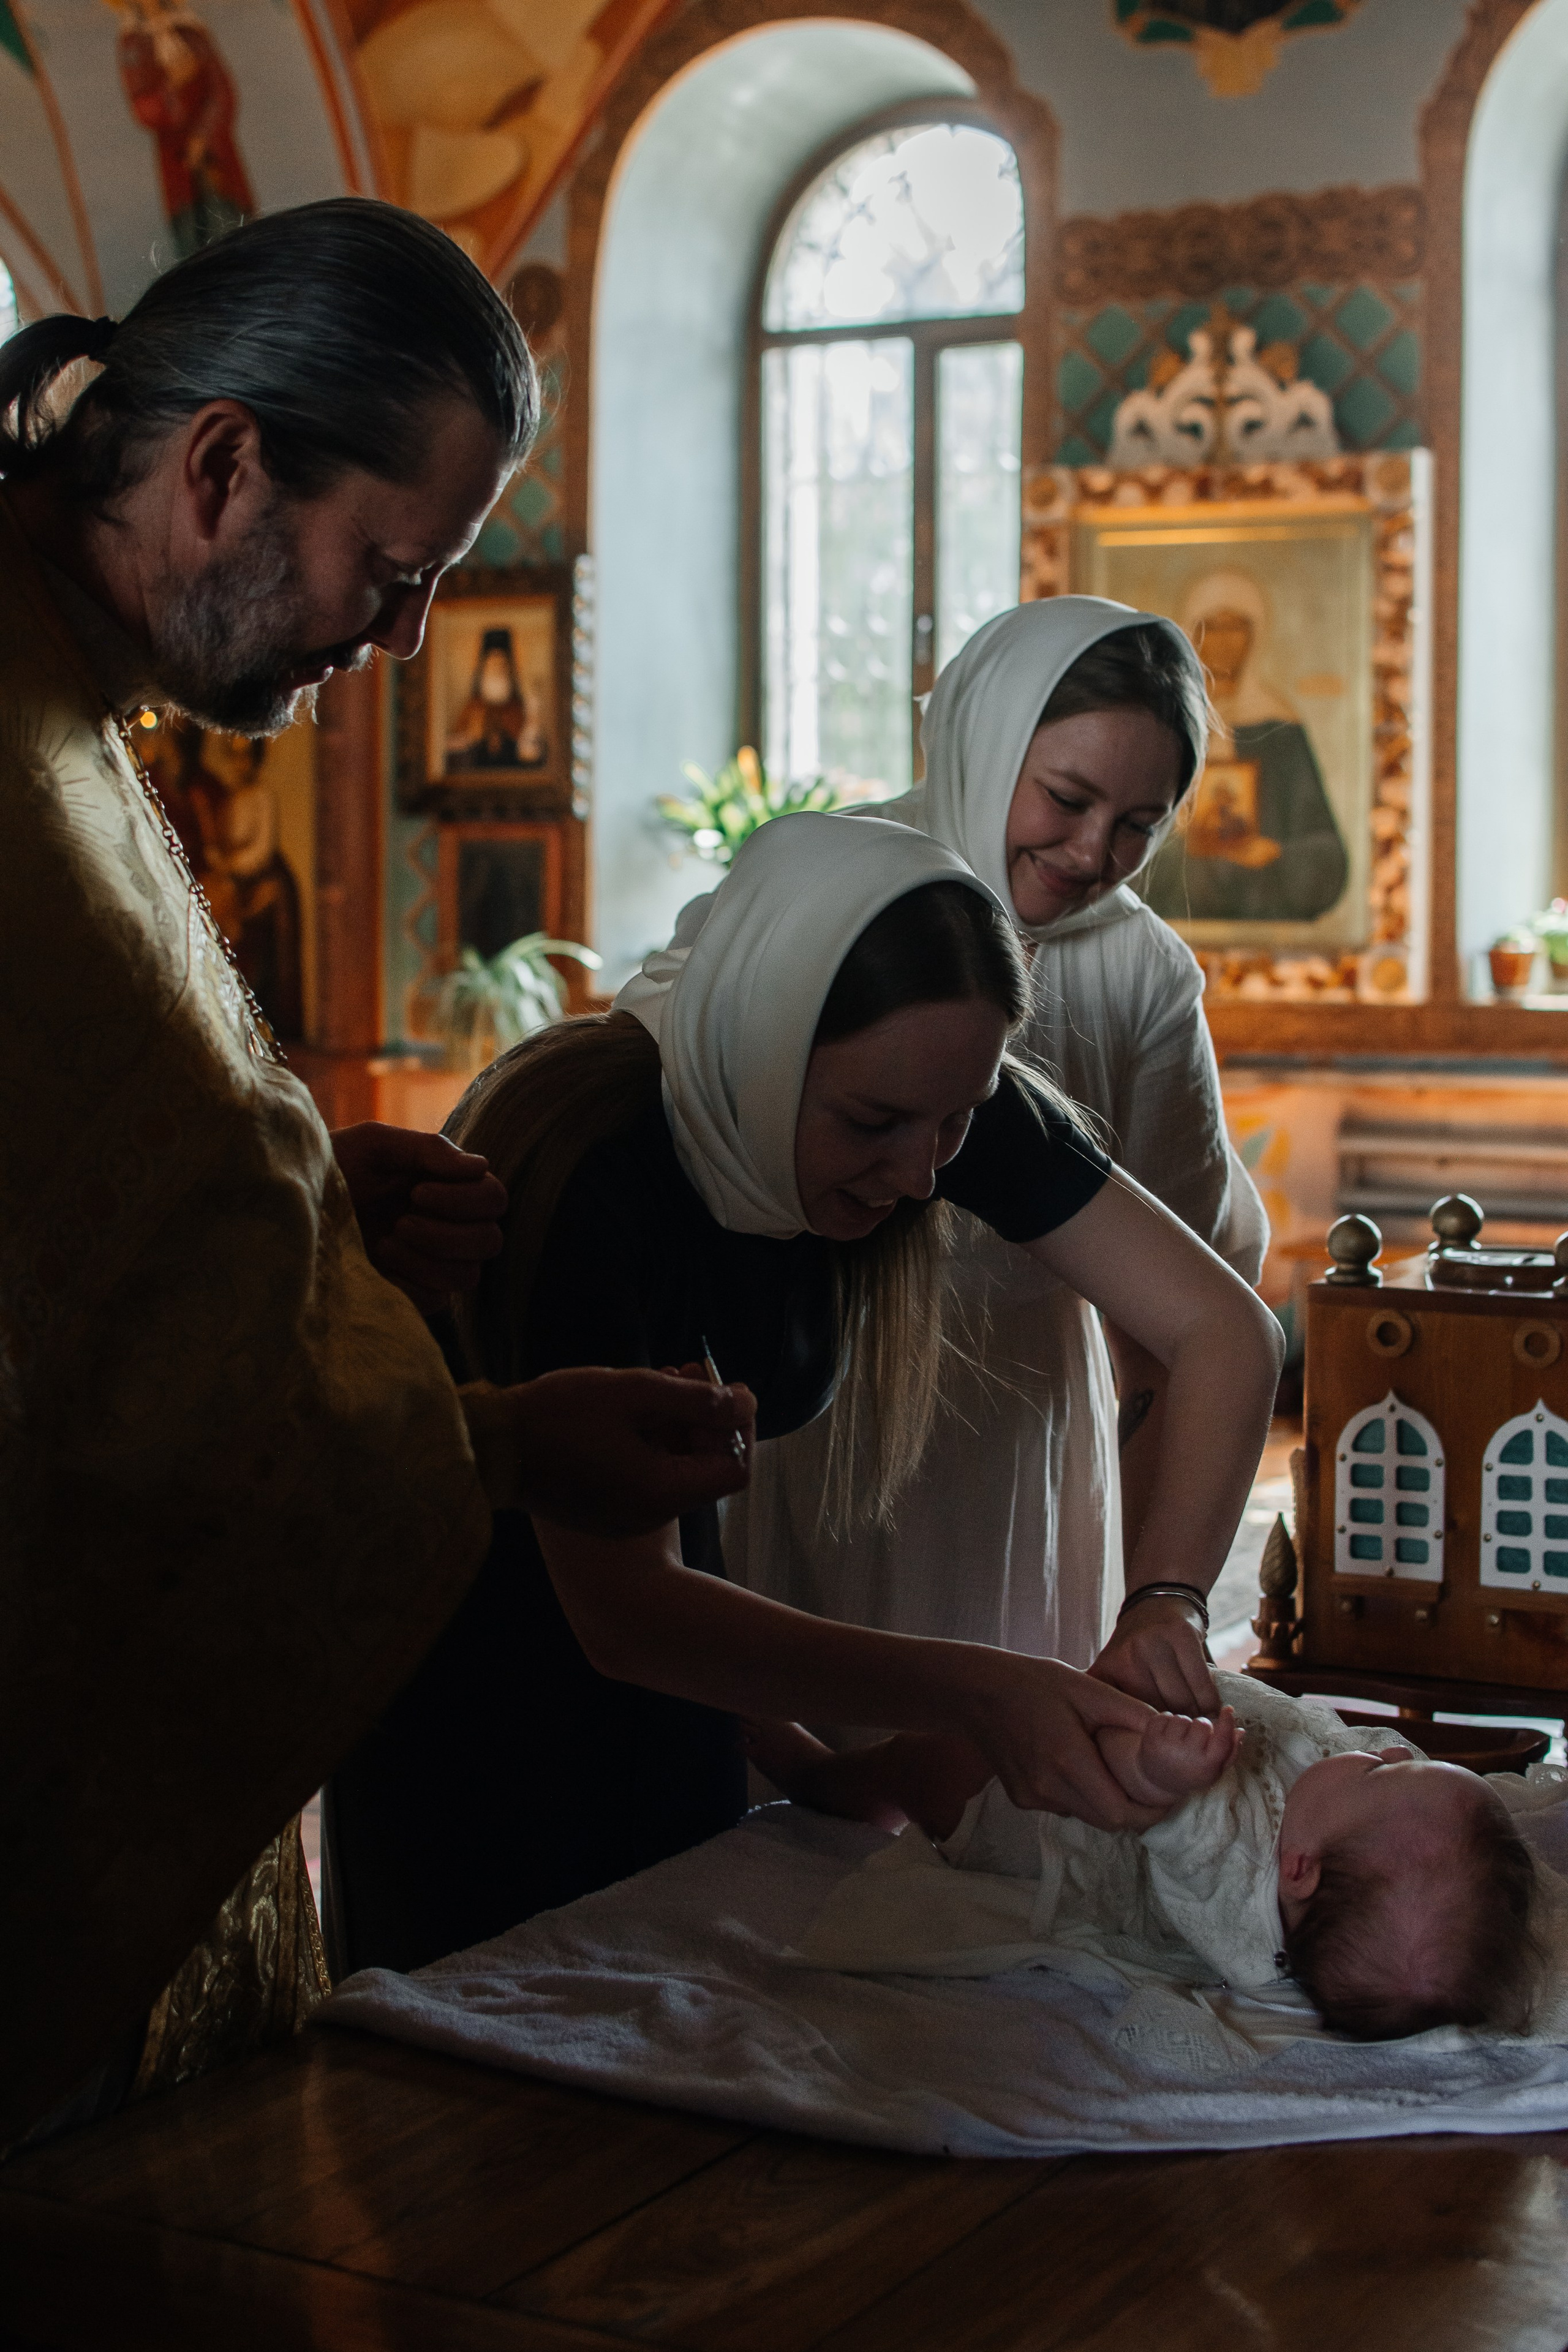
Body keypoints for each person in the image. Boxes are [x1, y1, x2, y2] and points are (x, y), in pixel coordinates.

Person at [0, 198, 752, 2150]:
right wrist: (503, 1443)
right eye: (392, 570)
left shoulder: (63, 697)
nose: (407, 642)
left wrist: (304, 1204)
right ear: (224, 463)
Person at [323, 810, 1283, 1976]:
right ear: (772, 1042)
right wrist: (983, 1695)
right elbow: (622, 1610)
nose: (926, 1172)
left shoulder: (922, 1092)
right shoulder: (589, 1160)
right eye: (876, 1126)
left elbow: (1223, 1328)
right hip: (479, 1727)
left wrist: (1166, 1603)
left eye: (960, 1122)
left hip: (680, 1703)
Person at [726, 597, 1267, 1716]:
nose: (1091, 852)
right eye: (1067, 799)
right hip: (808, 1385)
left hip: (1009, 1428)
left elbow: (1191, 1296)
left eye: (1139, 825)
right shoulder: (834, 892)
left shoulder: (1141, 973)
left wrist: (1161, 1588)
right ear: (983, 737)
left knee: (990, 1768)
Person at [778, 1676, 1545, 2043]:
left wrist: (1164, 1778)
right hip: (1116, 1741)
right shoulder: (1333, 1830)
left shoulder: (1233, 1877)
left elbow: (1178, 1835)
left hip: (1045, 1823)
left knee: (929, 1761)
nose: (1378, 1752)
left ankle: (825, 1780)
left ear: (1300, 1870)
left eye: (1381, 1770)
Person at [1140, 567, 1349, 926]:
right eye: (1212, 627)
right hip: (1174, 924)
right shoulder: (1164, 725)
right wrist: (1183, 848)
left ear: (1255, 635)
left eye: (1236, 628)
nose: (1223, 641)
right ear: (1192, 633)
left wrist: (1276, 854)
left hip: (1266, 917)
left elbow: (1325, 852)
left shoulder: (1279, 729)